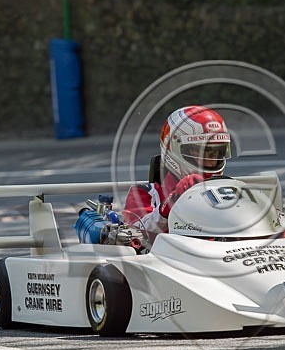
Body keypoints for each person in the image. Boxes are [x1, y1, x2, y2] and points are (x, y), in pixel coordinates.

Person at [75, 105, 232, 247]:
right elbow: (136, 234)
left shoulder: (228, 191)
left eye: (216, 153)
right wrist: (171, 203)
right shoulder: (146, 193)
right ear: (174, 148)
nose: (212, 161)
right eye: (201, 152)